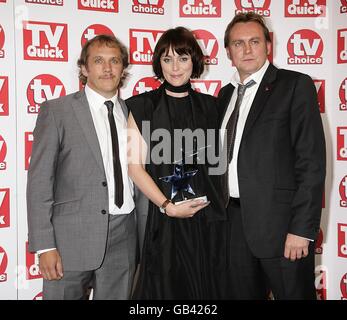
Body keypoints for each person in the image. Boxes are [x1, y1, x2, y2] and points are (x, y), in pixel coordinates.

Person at [218, 12, 326, 299]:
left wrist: (302, 230)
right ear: (228, 52)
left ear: (268, 45)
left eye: (255, 41)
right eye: (238, 43)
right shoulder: (224, 95)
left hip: (283, 231)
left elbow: (311, 163)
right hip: (233, 228)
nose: (247, 49)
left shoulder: (295, 85)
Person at [27, 35, 139, 300]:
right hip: (69, 241)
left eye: (115, 61)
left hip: (124, 235)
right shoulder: (58, 111)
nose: (108, 68)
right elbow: (40, 181)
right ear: (85, 68)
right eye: (98, 61)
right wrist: (45, 246)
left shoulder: (135, 112)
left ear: (123, 69)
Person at [126, 27, 228, 299]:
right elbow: (134, 167)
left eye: (183, 58)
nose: (175, 67)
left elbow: (222, 166)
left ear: (194, 61)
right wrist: (167, 207)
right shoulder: (141, 106)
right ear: (158, 62)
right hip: (164, 221)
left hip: (207, 223)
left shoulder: (213, 107)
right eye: (167, 59)